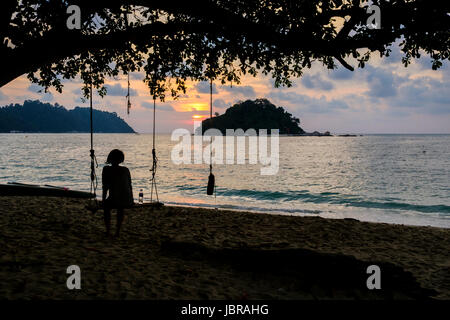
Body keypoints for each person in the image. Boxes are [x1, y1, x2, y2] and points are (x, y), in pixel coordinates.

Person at [102, 149, 134, 237]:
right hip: (126, 199)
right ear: (121, 159)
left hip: (115, 199)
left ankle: (108, 231)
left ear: (110, 158)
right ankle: (117, 232)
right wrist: (132, 200)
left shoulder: (106, 169)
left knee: (106, 208)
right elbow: (129, 186)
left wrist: (103, 200)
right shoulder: (126, 170)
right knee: (121, 208)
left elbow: (105, 187)